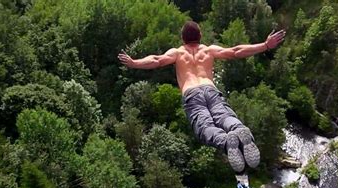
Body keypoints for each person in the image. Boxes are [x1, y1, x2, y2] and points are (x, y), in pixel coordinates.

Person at [118, 21, 285, 173]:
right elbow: (236, 51)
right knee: (224, 115)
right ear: (200, 36)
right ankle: (238, 129)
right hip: (210, 90)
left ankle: (226, 141)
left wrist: (134, 63)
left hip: (192, 94)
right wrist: (265, 45)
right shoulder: (209, 50)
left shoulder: (177, 53)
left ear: (182, 38)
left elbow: (156, 60)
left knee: (204, 127)